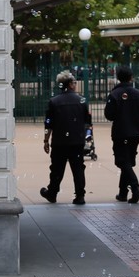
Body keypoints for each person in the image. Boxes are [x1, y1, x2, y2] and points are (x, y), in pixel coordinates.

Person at [40, 70, 92, 205]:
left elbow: (48, 123)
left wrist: (46, 140)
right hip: (77, 140)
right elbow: (88, 122)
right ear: (70, 84)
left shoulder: (54, 101)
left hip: (59, 141)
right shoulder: (81, 100)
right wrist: (87, 138)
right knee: (78, 168)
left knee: (57, 168)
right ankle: (80, 195)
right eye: (74, 82)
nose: (75, 84)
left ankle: (52, 192)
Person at [104, 67, 139, 203]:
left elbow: (109, 115)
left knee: (122, 161)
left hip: (120, 132)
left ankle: (135, 188)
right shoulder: (138, 94)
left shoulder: (114, 94)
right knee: (127, 161)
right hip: (135, 132)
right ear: (131, 77)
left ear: (118, 77)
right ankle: (123, 192)